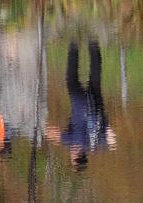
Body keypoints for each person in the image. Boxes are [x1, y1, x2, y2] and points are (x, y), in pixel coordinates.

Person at [45, 40, 116, 170]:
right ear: (76, 157)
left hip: (94, 103)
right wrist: (39, 130)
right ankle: (74, 44)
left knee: (95, 74)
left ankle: (92, 42)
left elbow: (112, 139)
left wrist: (106, 123)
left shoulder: (95, 145)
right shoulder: (73, 142)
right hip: (78, 101)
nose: (70, 155)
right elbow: (53, 133)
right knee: (71, 77)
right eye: (72, 158)